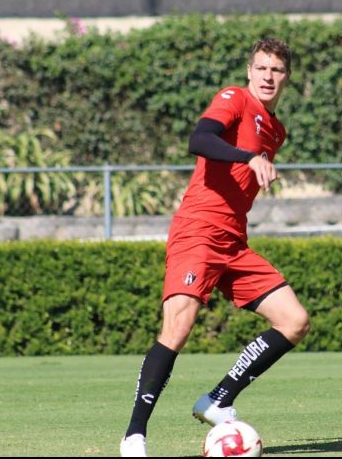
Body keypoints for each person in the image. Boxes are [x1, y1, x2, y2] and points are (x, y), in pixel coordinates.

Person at [120, 38, 310, 457]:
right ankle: (134, 436)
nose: (268, 76)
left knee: (294, 321)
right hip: (198, 232)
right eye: (261, 68)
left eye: (277, 70)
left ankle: (218, 399)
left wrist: (254, 160)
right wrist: (248, 157)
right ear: (249, 71)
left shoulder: (276, 130)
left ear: (287, 77)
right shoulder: (234, 99)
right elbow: (200, 139)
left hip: (234, 243)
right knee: (178, 327)